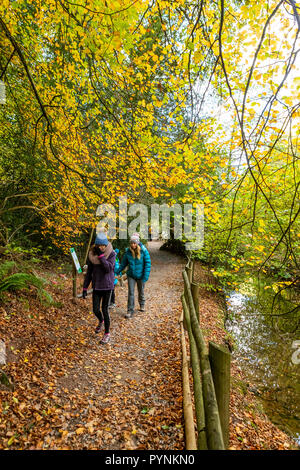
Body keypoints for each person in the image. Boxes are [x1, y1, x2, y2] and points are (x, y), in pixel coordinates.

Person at [82, 229, 116, 344]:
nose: (101, 247)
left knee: (105, 309)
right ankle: (100, 321)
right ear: (96, 245)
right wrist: (85, 287)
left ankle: (107, 334)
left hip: (107, 286)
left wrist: (101, 256)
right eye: (99, 245)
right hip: (97, 286)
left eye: (103, 245)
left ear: (106, 245)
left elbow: (108, 269)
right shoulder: (92, 255)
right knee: (95, 309)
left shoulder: (111, 253)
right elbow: (89, 272)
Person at [116, 233, 151, 319]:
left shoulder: (143, 251)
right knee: (131, 292)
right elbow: (123, 263)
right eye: (131, 243)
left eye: (134, 243)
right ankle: (130, 310)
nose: (133, 245)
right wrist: (117, 271)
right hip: (131, 275)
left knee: (141, 291)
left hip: (141, 275)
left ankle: (142, 304)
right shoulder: (128, 252)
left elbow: (148, 263)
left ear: (138, 243)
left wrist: (145, 276)